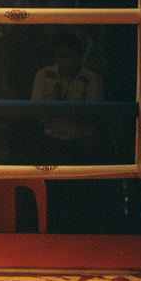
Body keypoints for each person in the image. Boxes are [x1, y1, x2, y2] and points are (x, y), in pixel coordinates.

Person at [30, 31, 104, 231]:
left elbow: (87, 118)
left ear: (79, 57)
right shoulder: (44, 74)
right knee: (51, 196)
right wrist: (66, 110)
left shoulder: (92, 79)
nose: (63, 61)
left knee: (85, 199)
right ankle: (47, 240)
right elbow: (38, 113)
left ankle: (87, 242)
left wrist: (55, 108)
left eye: (68, 56)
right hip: (53, 142)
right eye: (59, 56)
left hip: (82, 145)